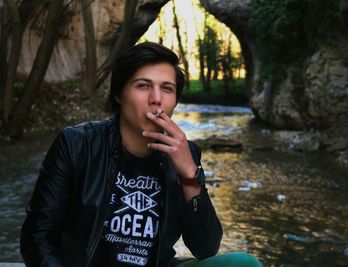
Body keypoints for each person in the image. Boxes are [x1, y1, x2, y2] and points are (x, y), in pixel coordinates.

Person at [20, 42, 262, 267]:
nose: (156, 99)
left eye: (167, 89)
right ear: (119, 94)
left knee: (244, 263)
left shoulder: (187, 154)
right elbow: (37, 236)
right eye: (143, 86)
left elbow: (206, 247)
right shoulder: (76, 144)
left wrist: (189, 176)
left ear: (175, 100)